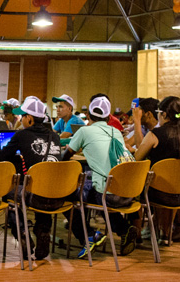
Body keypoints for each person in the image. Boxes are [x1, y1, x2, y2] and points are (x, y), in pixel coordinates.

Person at [64, 96, 138, 259]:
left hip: (107, 195)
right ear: (108, 116)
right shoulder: (117, 132)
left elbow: (65, 157)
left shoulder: (84, 131)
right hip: (128, 193)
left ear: (89, 115)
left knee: (67, 194)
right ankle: (124, 229)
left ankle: (88, 235)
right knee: (98, 188)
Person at [0, 96, 61, 260]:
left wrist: (18, 155)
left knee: (9, 193)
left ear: (30, 118)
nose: (21, 118)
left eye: (23, 116)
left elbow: (1, 156)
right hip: (57, 196)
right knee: (43, 186)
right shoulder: (55, 137)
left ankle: (22, 231)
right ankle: (43, 230)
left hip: (34, 196)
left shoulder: (22, 135)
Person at [134, 96, 180, 243]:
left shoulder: (155, 134)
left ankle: (136, 234)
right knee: (169, 184)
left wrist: (136, 122)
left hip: (160, 195)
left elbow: (137, 159)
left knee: (137, 189)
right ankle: (171, 229)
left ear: (163, 114)